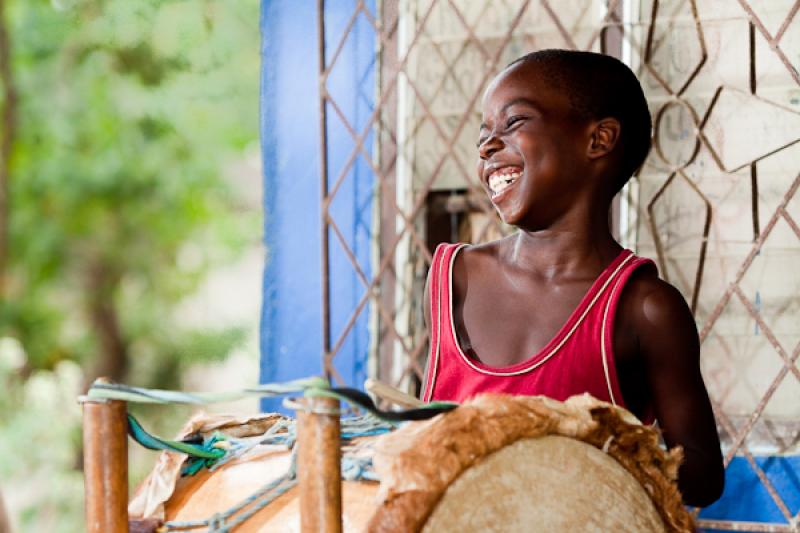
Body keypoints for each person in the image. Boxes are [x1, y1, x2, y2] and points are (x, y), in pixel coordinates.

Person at [420, 49, 724, 507]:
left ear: (598, 140)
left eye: (514, 122)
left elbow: (703, 474)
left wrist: (587, 459)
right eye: (484, 134)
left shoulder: (642, 307)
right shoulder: (454, 279)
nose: (486, 146)